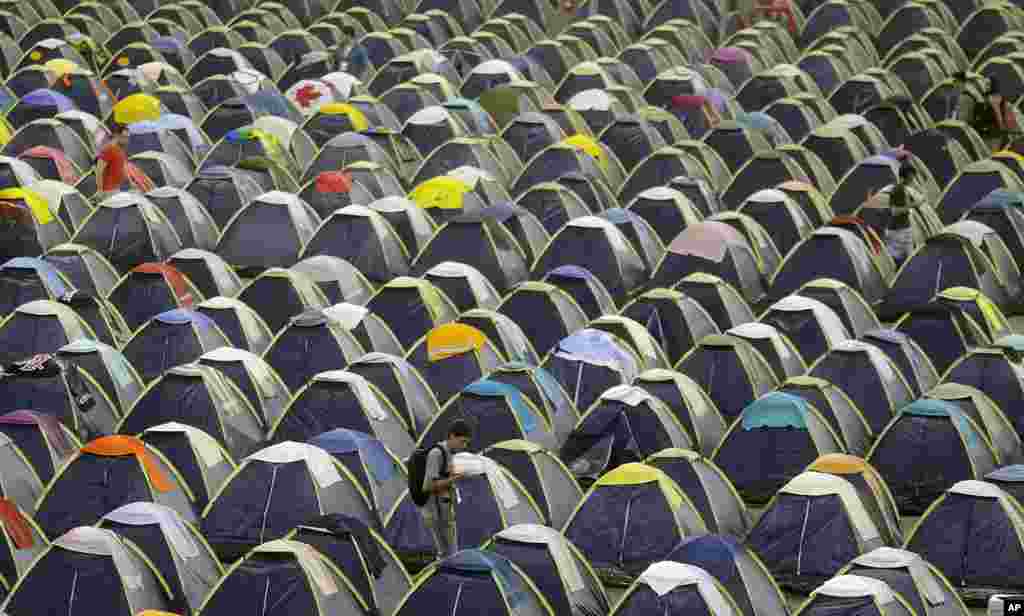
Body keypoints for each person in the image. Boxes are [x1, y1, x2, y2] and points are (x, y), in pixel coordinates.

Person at [421, 418, 473, 558]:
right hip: (435, 514)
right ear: (451, 436)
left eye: (466, 442)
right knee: (445, 554)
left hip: (446, 512)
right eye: (462, 441)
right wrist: (454, 479)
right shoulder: (436, 454)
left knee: (451, 554)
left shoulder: (451, 454)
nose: (464, 446)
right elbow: (428, 485)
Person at [972, 76, 1015, 152]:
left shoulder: (999, 100)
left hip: (994, 136)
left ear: (994, 85)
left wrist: (995, 106)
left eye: (988, 84)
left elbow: (1002, 123)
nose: (985, 86)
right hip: (985, 135)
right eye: (985, 84)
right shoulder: (984, 98)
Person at [96, 124, 130, 198]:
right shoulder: (108, 149)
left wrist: (129, 181)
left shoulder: (121, 149)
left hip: (117, 188)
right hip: (108, 191)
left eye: (127, 137)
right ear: (117, 136)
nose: (126, 140)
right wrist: (100, 190)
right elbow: (99, 170)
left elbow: (120, 167)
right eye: (124, 137)